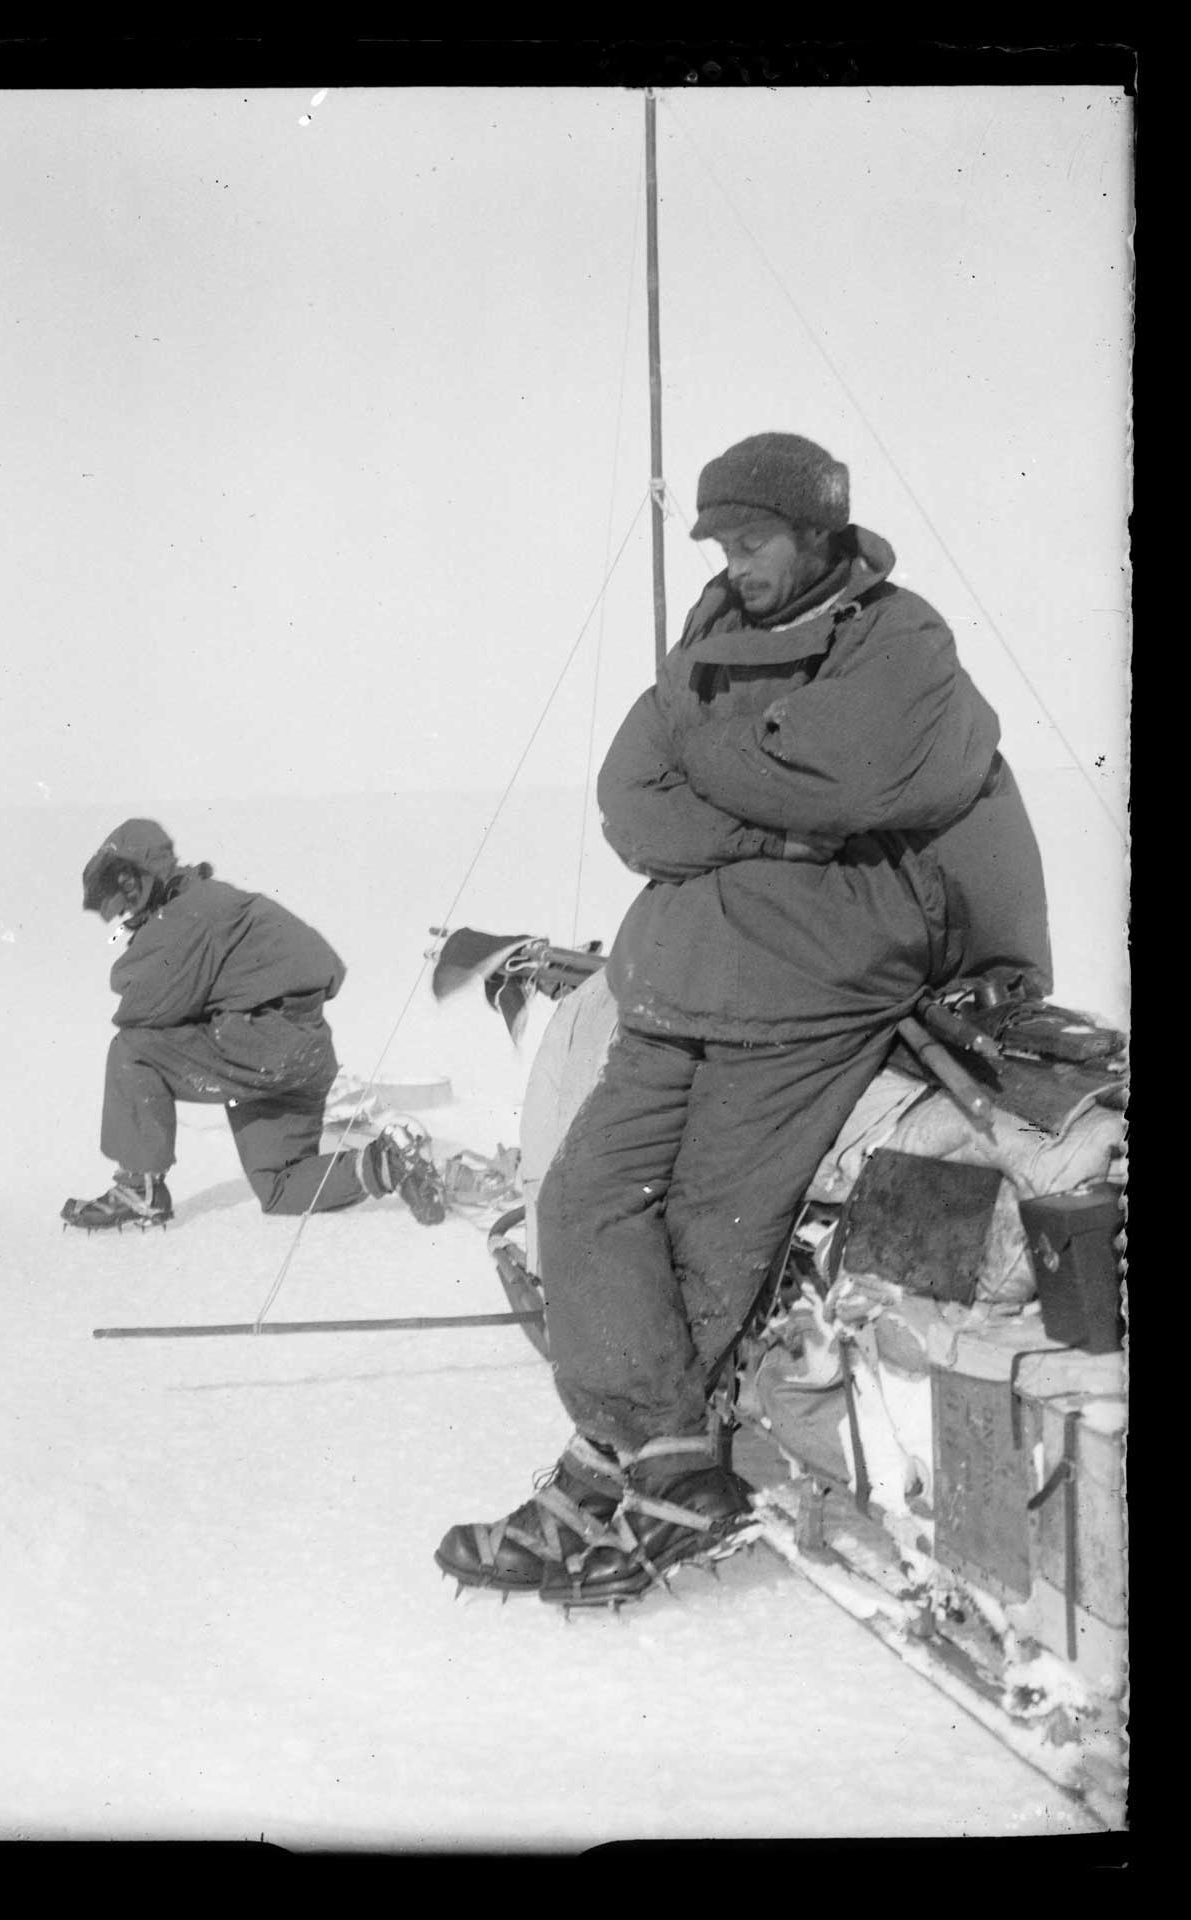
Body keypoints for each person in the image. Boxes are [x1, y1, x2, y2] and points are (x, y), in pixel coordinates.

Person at [436, 431, 1052, 1607]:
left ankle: (638, 1470)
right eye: (721, 540)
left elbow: (856, 784)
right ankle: (651, 1454)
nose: (736, 559)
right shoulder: (713, 630)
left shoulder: (900, 639)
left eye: (754, 538)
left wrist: (708, 759)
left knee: (710, 1233)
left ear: (819, 531)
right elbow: (633, 804)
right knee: (581, 1199)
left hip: (815, 983)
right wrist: (768, 819)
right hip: (679, 976)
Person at [61, 819, 447, 1230]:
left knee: (132, 1049)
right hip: (303, 1053)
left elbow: (143, 1008)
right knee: (279, 1186)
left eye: (128, 885)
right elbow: (327, 966)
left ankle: (140, 1191)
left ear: (149, 870)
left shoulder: (187, 914)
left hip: (262, 1046)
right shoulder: (212, 900)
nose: (124, 904)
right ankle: (387, 1163)